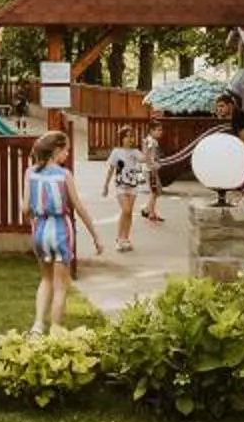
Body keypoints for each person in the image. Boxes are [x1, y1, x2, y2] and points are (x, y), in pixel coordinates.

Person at [23, 130, 103, 333]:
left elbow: (25, 208)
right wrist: (95, 236)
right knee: (60, 285)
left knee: (45, 279)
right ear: (56, 150)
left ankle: (38, 325)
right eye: (66, 150)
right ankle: (56, 330)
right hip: (60, 230)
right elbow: (78, 206)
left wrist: (34, 221)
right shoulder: (64, 175)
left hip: (40, 230)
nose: (67, 154)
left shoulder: (30, 173)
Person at [100, 131, 151, 250]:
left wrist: (146, 147)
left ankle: (126, 238)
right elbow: (111, 169)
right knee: (126, 210)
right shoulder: (116, 152)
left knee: (129, 212)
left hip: (133, 185)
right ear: (121, 138)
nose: (129, 139)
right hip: (120, 185)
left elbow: (144, 159)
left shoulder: (135, 152)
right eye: (127, 137)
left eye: (131, 136)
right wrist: (106, 186)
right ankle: (119, 238)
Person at [139, 129, 168, 224]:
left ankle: (151, 212)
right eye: (158, 130)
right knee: (155, 191)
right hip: (150, 170)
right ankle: (147, 210)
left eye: (161, 130)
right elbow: (146, 155)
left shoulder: (150, 140)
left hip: (150, 169)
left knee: (156, 191)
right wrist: (152, 165)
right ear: (152, 130)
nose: (161, 132)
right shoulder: (150, 141)